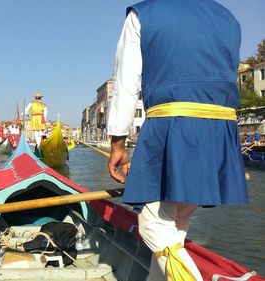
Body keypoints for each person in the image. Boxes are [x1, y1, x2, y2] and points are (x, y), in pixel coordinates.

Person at [106, 1, 248, 280]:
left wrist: (118, 144)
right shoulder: (228, 17)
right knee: (178, 217)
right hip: (221, 127)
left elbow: (125, 83)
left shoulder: (143, 13)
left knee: (152, 225)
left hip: (173, 121)